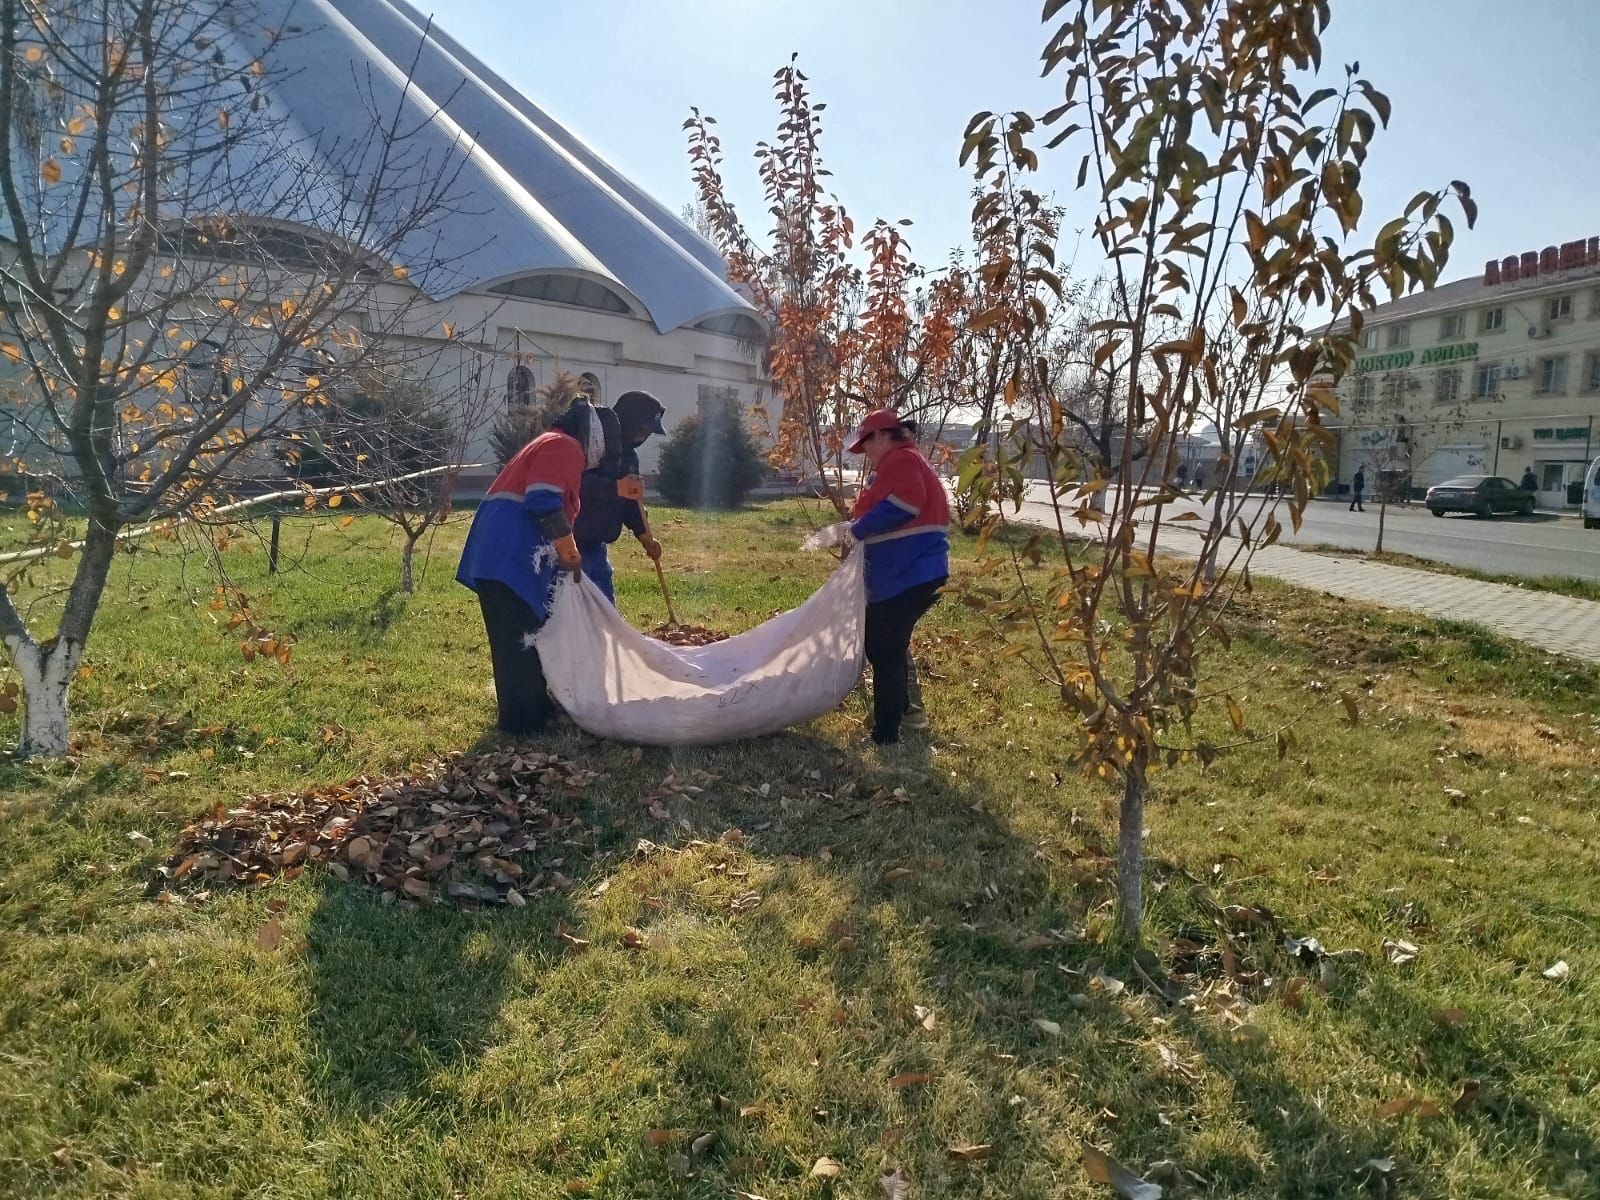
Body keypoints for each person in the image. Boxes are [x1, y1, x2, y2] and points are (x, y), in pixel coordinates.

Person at [457, 398, 606, 735]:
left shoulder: (549, 441)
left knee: (523, 634)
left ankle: (532, 709)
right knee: (519, 640)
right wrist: (569, 551)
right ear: (592, 436)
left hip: (500, 551)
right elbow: (543, 499)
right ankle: (523, 723)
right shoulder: (565, 446)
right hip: (508, 553)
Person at [845, 409, 950, 745]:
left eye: (867, 444)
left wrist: (856, 530)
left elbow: (905, 504)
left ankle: (886, 733)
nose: (867, 455)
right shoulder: (905, 460)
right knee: (889, 643)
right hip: (908, 572)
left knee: (884, 646)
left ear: (882, 435)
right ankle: (904, 711)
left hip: (910, 571)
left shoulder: (901, 460)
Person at [574, 390, 667, 603]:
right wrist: (616, 487)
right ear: (628, 421)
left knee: (606, 610)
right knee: (580, 610)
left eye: (647, 434)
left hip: (598, 545)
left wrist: (645, 537)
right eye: (642, 430)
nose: (642, 437)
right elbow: (576, 486)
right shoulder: (594, 445)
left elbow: (630, 503)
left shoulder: (629, 457)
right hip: (574, 542)